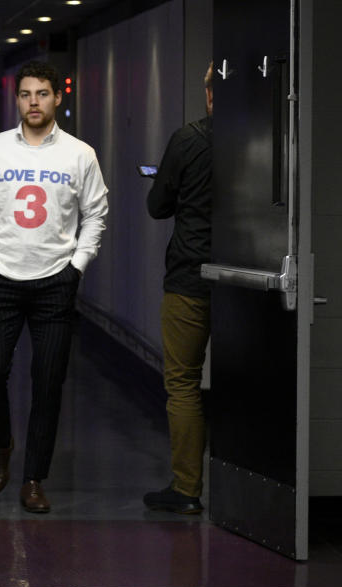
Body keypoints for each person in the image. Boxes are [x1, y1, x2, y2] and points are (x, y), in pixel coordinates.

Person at [0, 60, 108, 513]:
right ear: (17, 99)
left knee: (47, 383)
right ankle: (2, 442)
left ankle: (33, 479)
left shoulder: (79, 154)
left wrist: (77, 267)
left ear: (57, 97)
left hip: (54, 284)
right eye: (26, 94)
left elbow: (96, 213)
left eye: (42, 93)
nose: (33, 102)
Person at [142, 63, 213, 515]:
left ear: (210, 93)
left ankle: (187, 489)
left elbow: (157, 206)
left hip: (191, 278)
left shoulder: (189, 139)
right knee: (253, 382)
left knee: (184, 383)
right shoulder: (278, 136)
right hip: (251, 280)